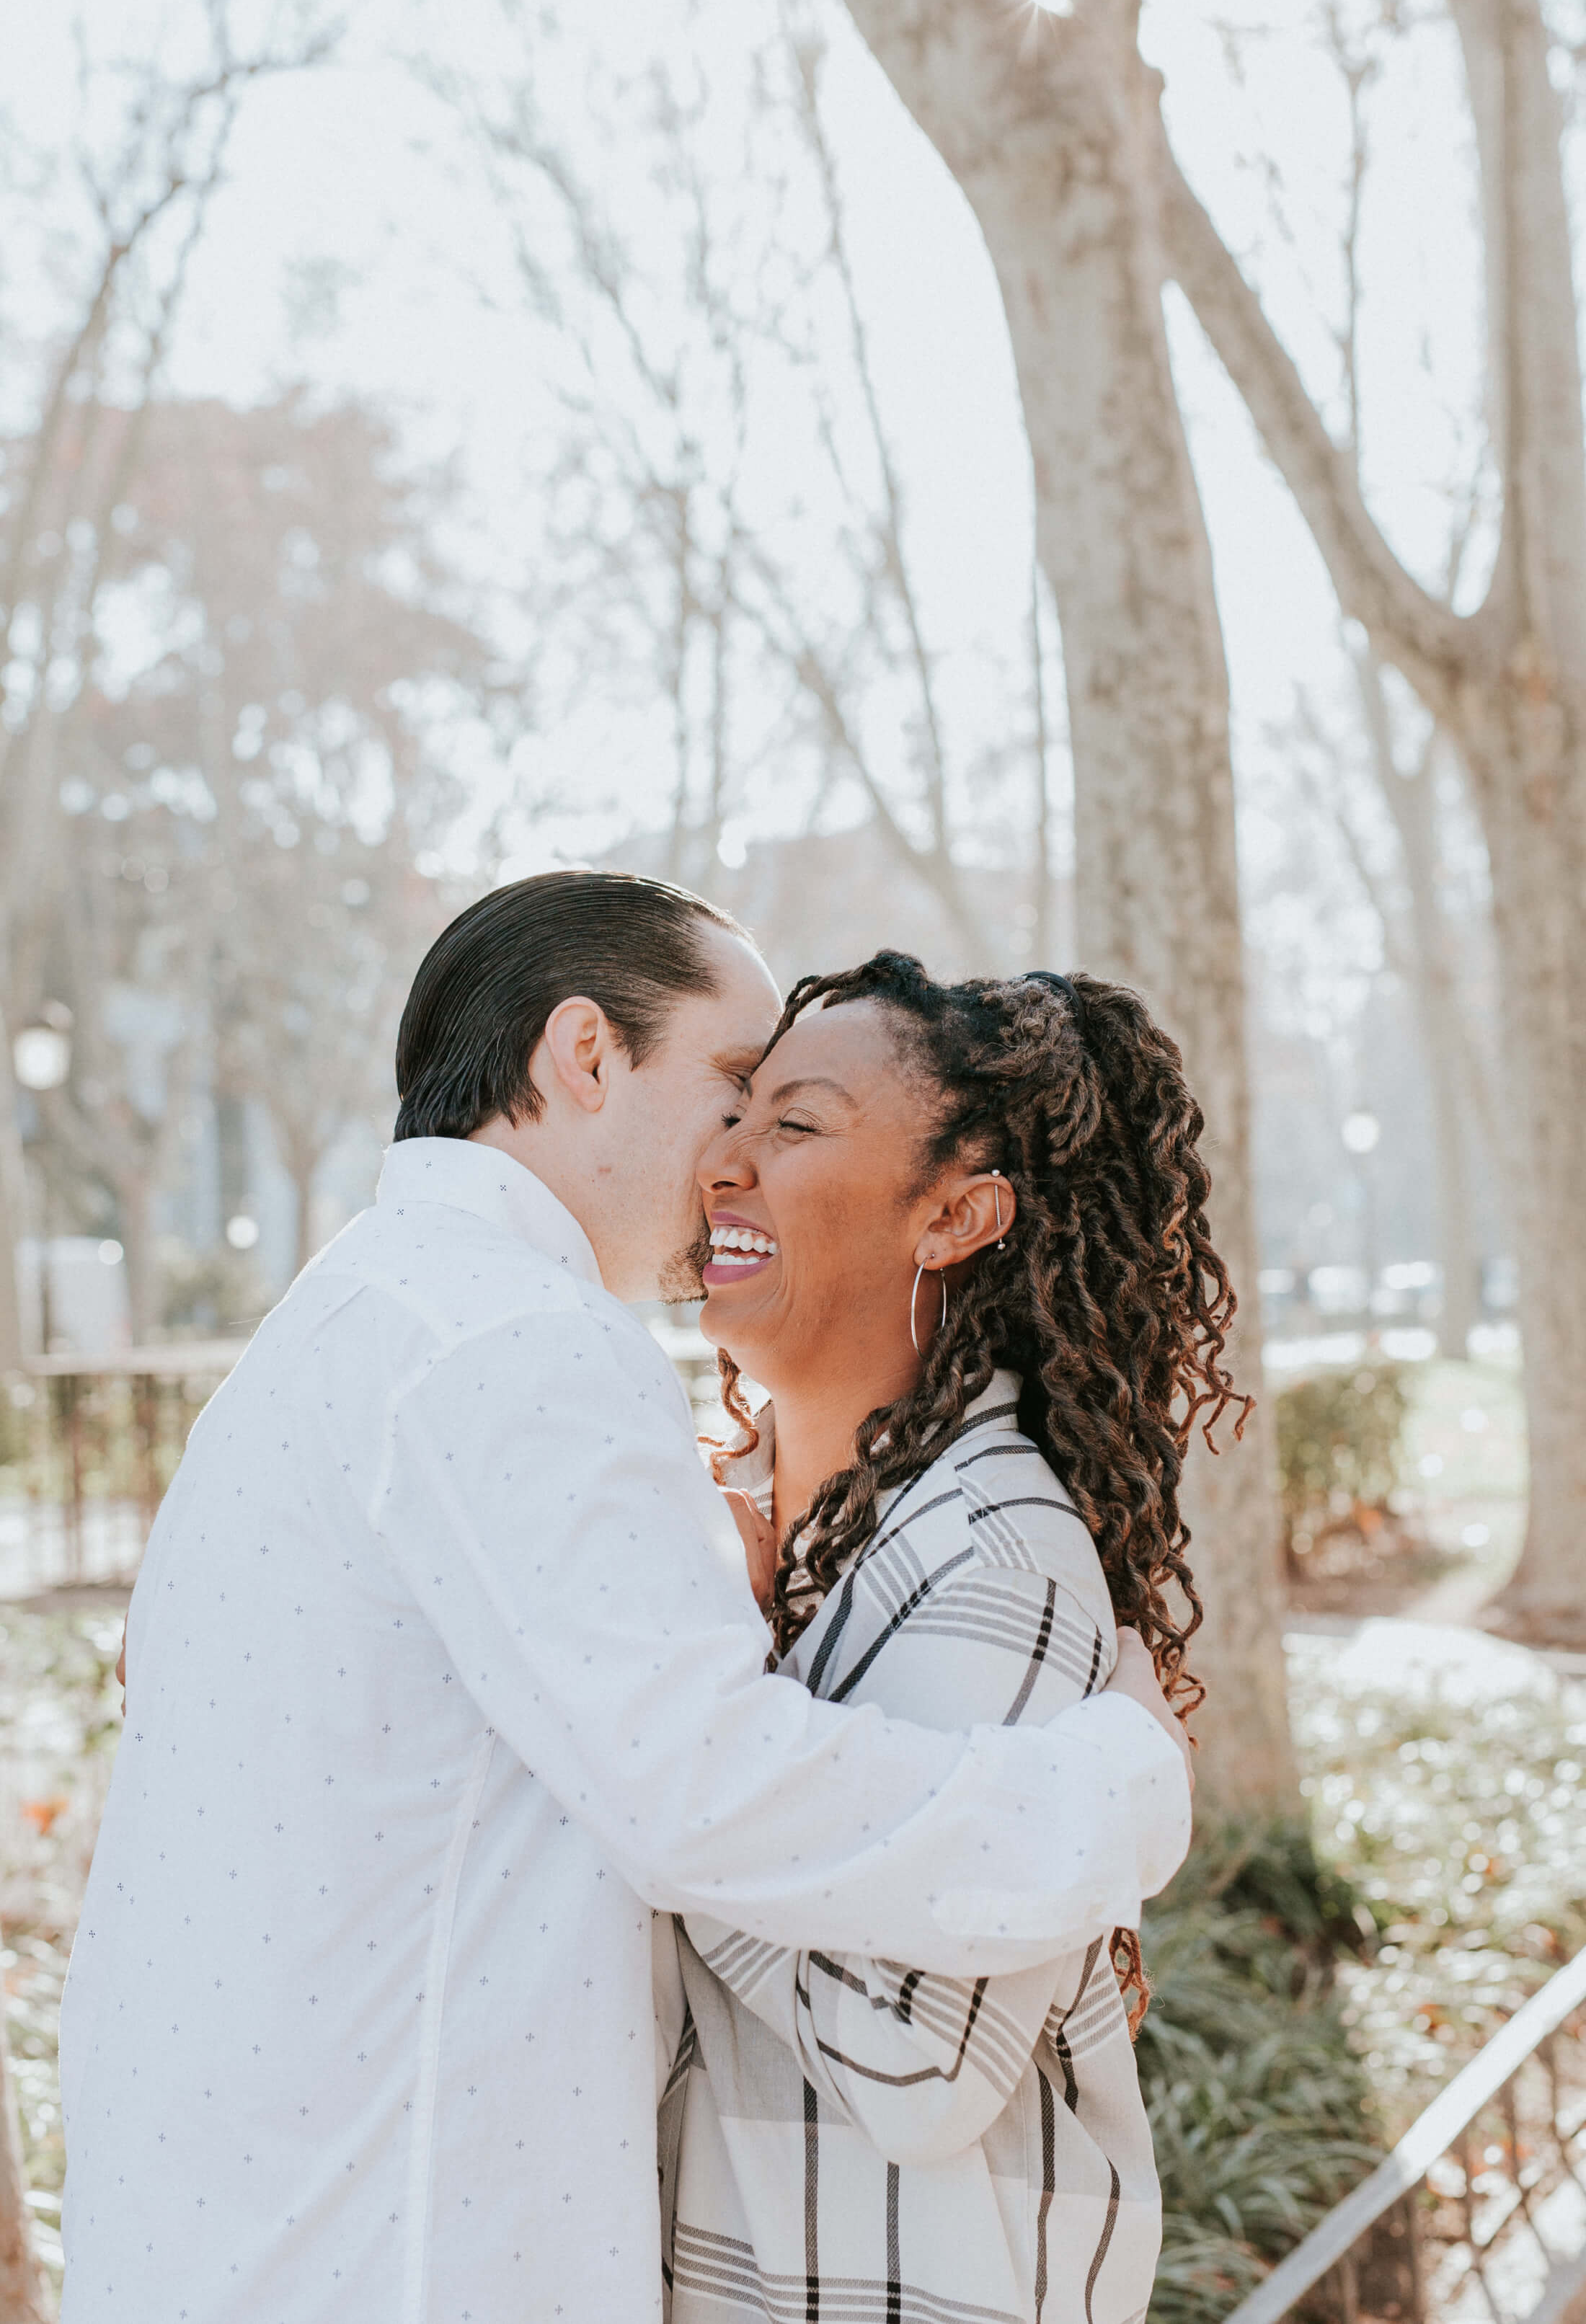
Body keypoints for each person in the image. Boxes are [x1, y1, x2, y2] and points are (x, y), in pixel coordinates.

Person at [60, 874, 1192, 2324]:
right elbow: (698, 1791)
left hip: (246, 2236)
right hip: (390, 2255)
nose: (735, 1151)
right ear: (583, 1056)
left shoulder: (351, 1316)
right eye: (733, 1085)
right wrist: (1113, 1795)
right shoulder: (515, 1343)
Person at [661, 952, 1244, 2324]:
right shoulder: (763, 1525)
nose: (721, 1162)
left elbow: (916, 2058)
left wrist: (659, 1753)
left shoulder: (991, 1550)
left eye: (793, 1126)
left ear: (958, 1215)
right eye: (735, 1113)